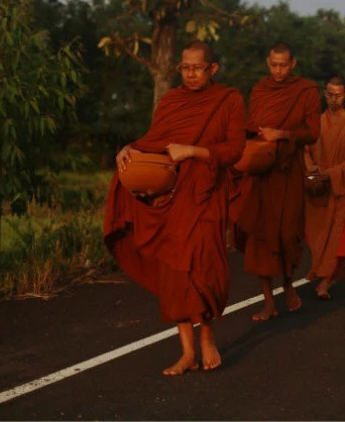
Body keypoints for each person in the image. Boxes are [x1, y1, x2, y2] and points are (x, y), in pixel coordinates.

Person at [103, 42, 245, 375]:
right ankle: (186, 352)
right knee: (174, 270)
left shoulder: (229, 100)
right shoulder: (171, 100)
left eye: (197, 67)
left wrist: (194, 151)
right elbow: (154, 140)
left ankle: (207, 337)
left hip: (207, 194)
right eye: (185, 67)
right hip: (172, 195)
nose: (191, 74)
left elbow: (235, 149)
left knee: (206, 266)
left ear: (213, 69)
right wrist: (129, 148)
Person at [230, 42, 321, 321]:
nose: (278, 70)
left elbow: (313, 132)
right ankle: (268, 301)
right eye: (274, 65)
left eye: (283, 65)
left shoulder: (306, 90)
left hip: (287, 171)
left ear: (293, 63)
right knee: (260, 235)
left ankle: (289, 286)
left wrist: (282, 134)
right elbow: (252, 123)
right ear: (267, 62)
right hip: (260, 171)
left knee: (286, 232)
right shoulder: (260, 89)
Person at [303, 76, 345, 300]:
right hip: (317, 189)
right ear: (324, 94)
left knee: (337, 239)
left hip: (338, 189)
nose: (333, 99)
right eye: (329, 94)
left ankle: (325, 283)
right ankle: (318, 270)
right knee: (316, 236)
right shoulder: (315, 123)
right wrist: (312, 169)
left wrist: (332, 174)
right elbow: (305, 151)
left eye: (338, 94)